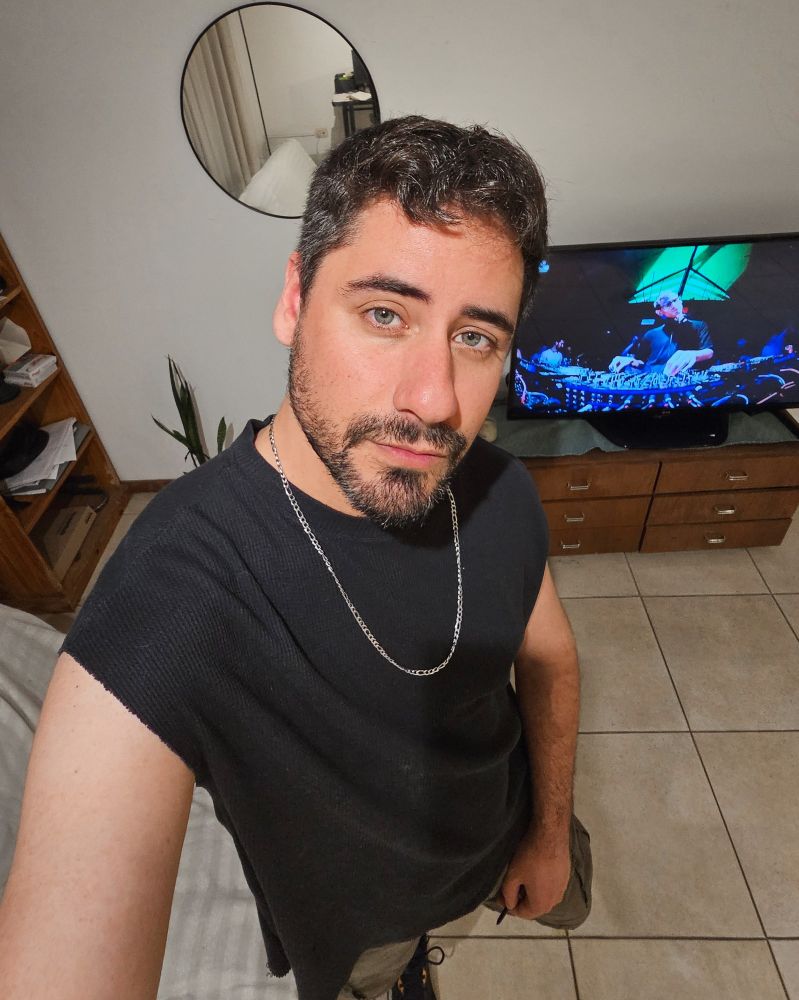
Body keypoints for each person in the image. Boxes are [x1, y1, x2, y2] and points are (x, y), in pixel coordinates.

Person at [0, 116, 590, 1000]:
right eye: (384, 314)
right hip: (364, 934)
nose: (433, 401)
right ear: (294, 300)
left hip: (495, 848)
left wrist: (545, 835)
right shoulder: (176, 588)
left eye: (475, 337)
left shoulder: (499, 488)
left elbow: (549, 660)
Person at [609, 290, 714, 376]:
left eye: (675, 300)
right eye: (668, 304)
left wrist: (693, 355)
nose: (674, 305)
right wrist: (630, 361)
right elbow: (640, 361)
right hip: (652, 378)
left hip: (684, 377)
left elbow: (709, 351)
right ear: (659, 312)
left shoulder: (699, 325)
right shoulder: (651, 334)